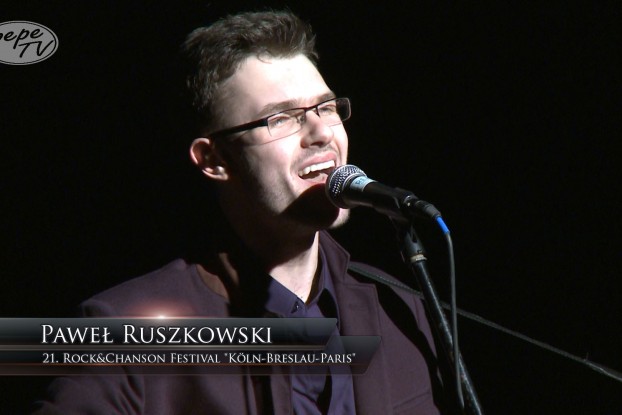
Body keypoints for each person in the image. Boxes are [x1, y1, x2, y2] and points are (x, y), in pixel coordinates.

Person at [33, 10, 447, 414]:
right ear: (214, 159)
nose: (322, 132)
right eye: (281, 118)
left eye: (326, 107)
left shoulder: (400, 308)